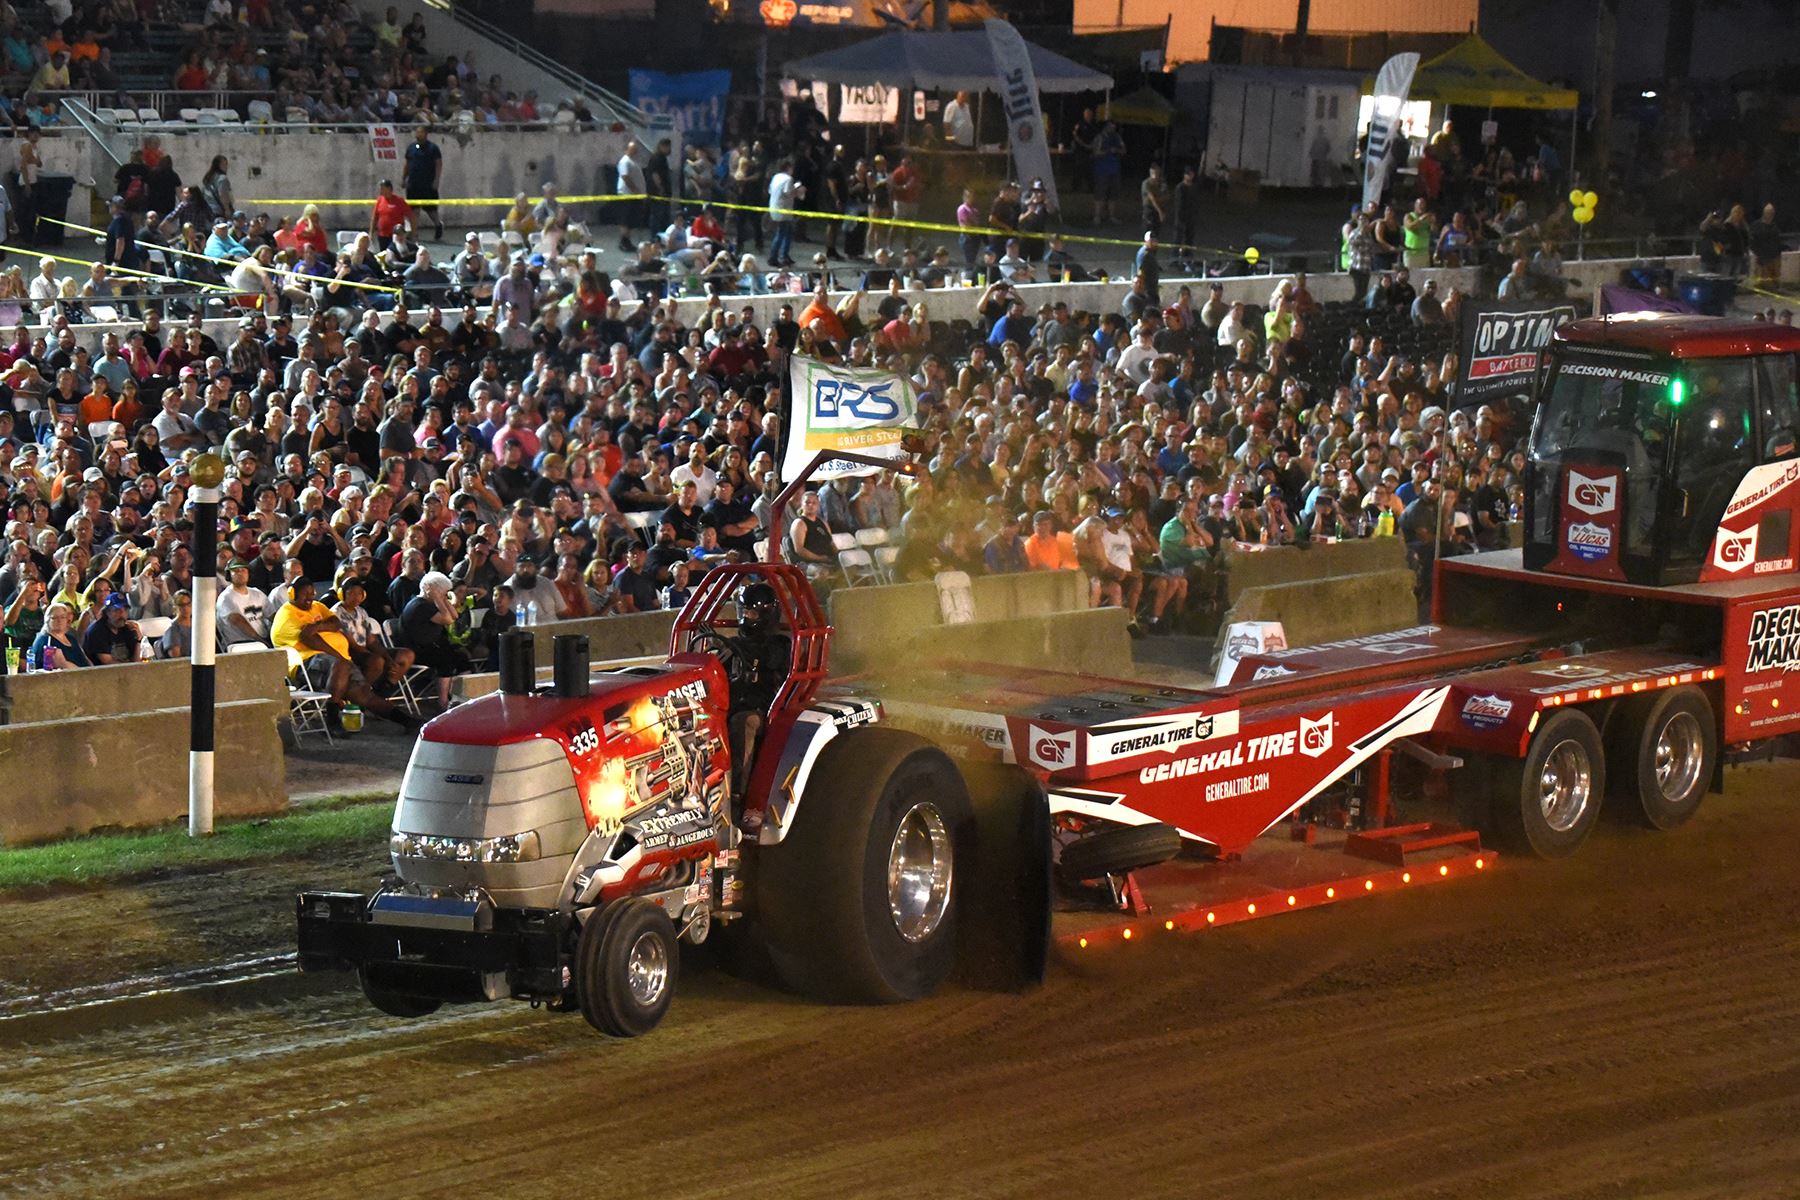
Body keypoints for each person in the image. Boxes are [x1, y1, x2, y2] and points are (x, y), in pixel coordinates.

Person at [270, 577, 415, 728]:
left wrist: (318, 626)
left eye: (312, 593)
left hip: (339, 663)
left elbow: (335, 622)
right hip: (308, 662)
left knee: (364, 695)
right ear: (292, 594)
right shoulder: (287, 616)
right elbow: (310, 639)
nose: (310, 598)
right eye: (304, 594)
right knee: (343, 665)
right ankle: (332, 718)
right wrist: (338, 656)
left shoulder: (317, 606)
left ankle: (406, 721)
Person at [711, 579, 790, 796]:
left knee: (743, 722)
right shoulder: (734, 643)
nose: (746, 618)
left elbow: (773, 671)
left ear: (766, 615)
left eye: (752, 614)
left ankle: (738, 793)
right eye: (743, 612)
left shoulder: (779, 645)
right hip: (734, 703)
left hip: (763, 708)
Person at [399, 570, 465, 708]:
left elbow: (455, 616)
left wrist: (444, 599)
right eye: (442, 592)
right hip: (418, 651)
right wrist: (437, 598)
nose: (444, 595)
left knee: (462, 658)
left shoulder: (429, 604)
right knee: (445, 660)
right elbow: (447, 620)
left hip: (431, 646)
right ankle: (443, 701)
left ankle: (457, 695)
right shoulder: (420, 605)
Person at [403, 126, 444, 240]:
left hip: (428, 184)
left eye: (421, 132)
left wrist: (436, 180)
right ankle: (414, 233)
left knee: (431, 210)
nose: (418, 134)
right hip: (413, 184)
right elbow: (406, 164)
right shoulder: (411, 148)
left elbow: (438, 164)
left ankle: (438, 225)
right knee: (414, 210)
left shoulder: (433, 148)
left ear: (426, 134)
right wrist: (404, 178)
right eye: (417, 132)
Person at [81, 591, 142, 664]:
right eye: (117, 610)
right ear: (107, 612)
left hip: (128, 670)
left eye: (125, 610)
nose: (122, 614)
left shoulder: (128, 628)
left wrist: (138, 640)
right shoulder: (97, 631)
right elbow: (108, 662)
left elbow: (136, 661)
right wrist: (132, 669)